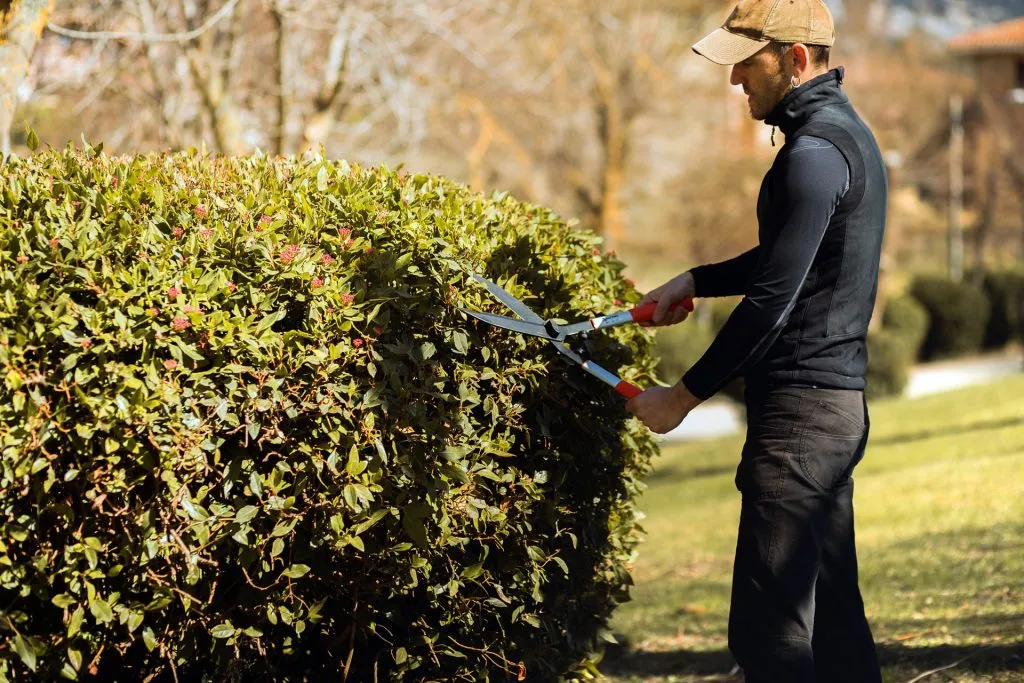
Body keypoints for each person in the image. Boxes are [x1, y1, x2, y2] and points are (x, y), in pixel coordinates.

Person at [625, 0, 887, 681]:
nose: (735, 81)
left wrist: (680, 398)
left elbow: (772, 300)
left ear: (794, 61)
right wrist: (695, 280)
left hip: (802, 420)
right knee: (833, 624)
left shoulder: (815, 155)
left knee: (769, 635)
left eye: (746, 64)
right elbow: (785, 260)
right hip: (830, 411)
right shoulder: (840, 138)